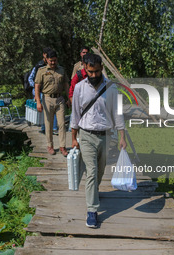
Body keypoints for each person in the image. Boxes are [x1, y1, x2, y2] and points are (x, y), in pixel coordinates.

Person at [70, 53, 127, 228]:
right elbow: (75, 114)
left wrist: (122, 137)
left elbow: (118, 114)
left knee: (100, 171)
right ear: (85, 69)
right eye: (90, 72)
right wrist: (73, 137)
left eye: (96, 71)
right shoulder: (79, 88)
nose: (93, 75)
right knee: (92, 172)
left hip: (105, 136)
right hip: (86, 135)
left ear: (101, 68)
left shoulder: (111, 89)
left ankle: (94, 191)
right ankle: (92, 210)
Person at [35, 50, 70, 156]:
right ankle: (50, 146)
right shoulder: (41, 71)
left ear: (57, 59)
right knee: (49, 124)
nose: (53, 63)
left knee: (61, 124)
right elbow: (37, 86)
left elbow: (66, 85)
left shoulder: (61, 70)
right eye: (51, 61)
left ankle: (62, 146)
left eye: (54, 60)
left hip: (60, 99)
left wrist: (69, 98)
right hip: (47, 99)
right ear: (47, 60)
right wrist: (38, 102)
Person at [28, 47, 58, 134]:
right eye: (46, 55)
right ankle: (44, 127)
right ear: (44, 55)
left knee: (53, 109)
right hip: (41, 93)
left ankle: (54, 128)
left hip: (52, 92)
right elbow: (31, 79)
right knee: (44, 110)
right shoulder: (39, 66)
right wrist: (36, 87)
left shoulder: (55, 66)